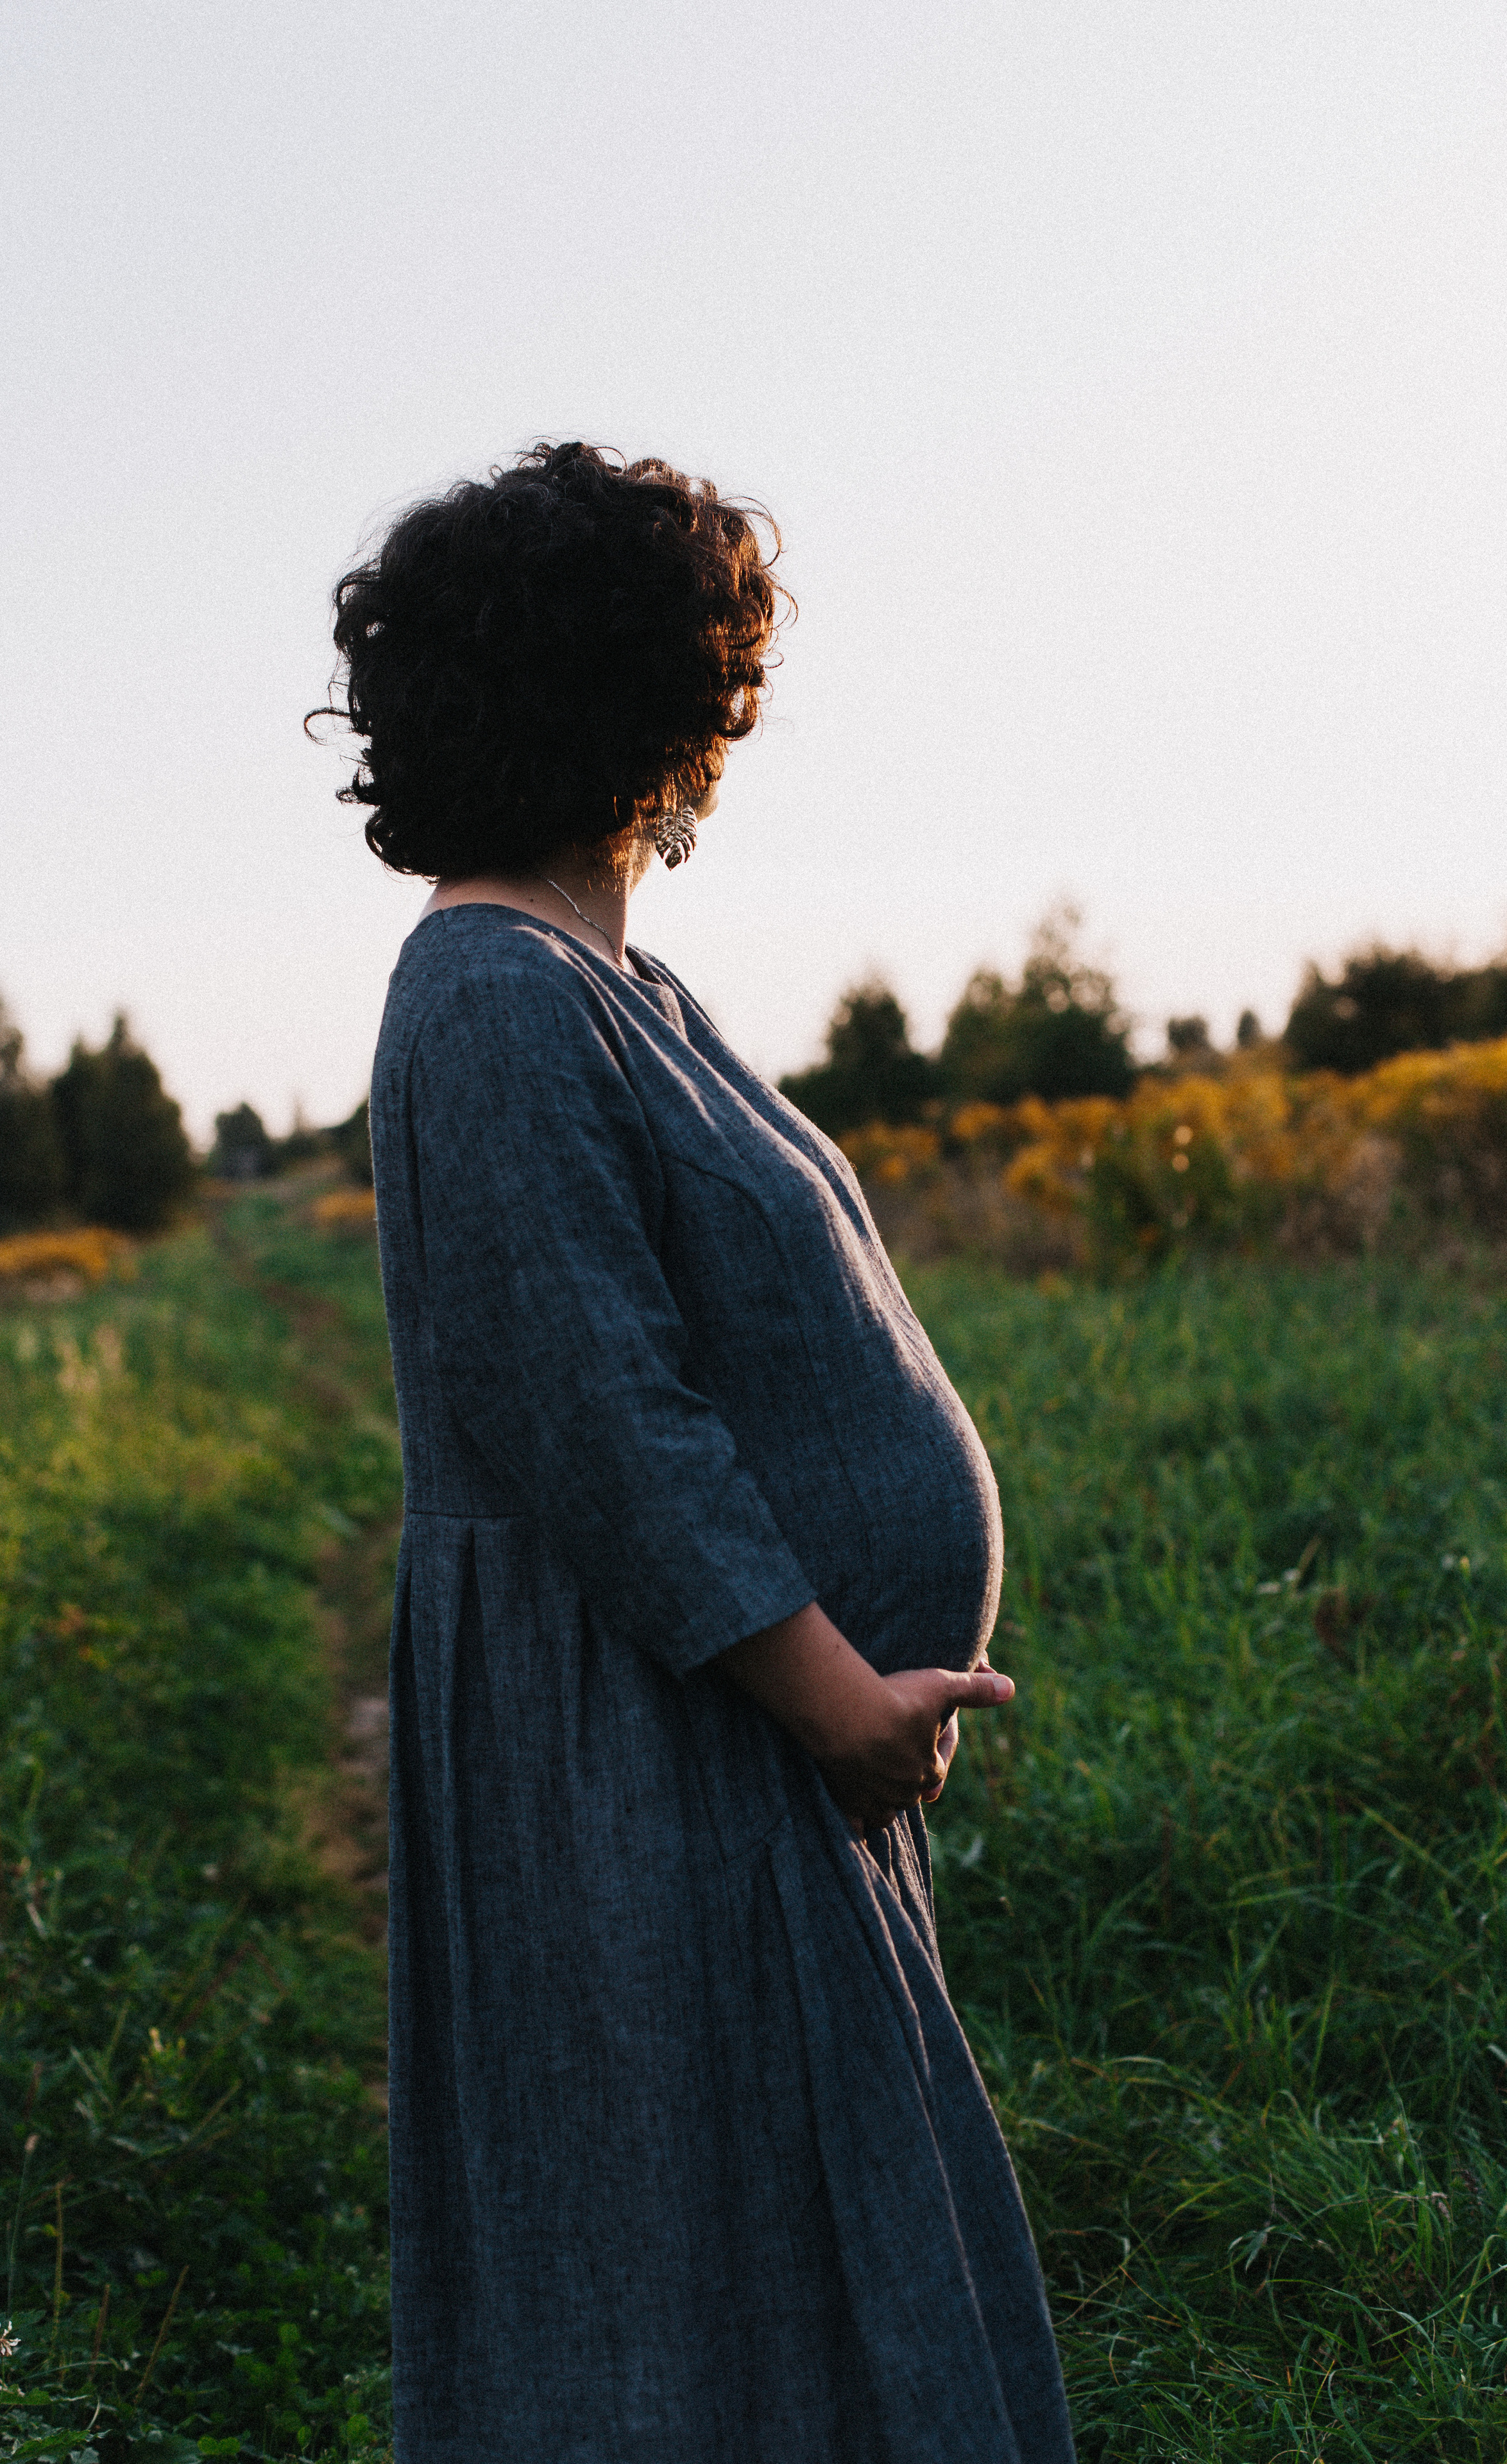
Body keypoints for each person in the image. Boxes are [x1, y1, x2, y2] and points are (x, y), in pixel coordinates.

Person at [324, 441, 1074, 2461]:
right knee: (674, 2264)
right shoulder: (486, 995)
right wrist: (835, 1698)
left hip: (715, 1730)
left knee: (780, 2245)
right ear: (653, 705)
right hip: (638, 1738)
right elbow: (607, 1421)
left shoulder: (611, 983)